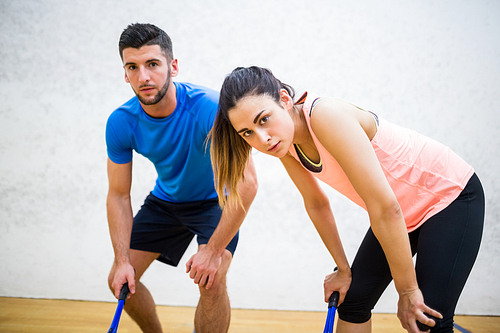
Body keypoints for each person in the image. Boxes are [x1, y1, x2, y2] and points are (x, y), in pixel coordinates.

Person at [210, 66, 484, 333]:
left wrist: (408, 291)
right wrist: (343, 269)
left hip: (449, 196)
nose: (263, 138)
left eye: (263, 119)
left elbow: (386, 208)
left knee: (427, 319)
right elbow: (316, 202)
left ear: (284, 99)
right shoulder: (286, 145)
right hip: (399, 211)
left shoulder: (325, 116)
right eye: (247, 133)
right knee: (352, 301)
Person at [105, 24, 257, 333]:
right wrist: (122, 259)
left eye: (152, 64)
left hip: (216, 202)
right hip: (166, 203)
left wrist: (212, 252)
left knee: (211, 281)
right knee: (120, 281)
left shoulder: (210, 109)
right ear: (125, 73)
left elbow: (247, 184)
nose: (143, 76)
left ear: (173, 66)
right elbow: (118, 195)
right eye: (132, 67)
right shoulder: (121, 122)